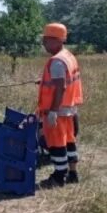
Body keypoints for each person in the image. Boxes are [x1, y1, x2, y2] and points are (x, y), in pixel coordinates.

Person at [36, 23, 83, 189]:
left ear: (56, 40)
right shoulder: (68, 56)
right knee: (69, 141)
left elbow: (60, 86)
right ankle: (73, 173)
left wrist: (53, 112)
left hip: (57, 110)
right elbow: (62, 82)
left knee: (56, 143)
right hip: (69, 108)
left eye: (46, 41)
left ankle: (58, 176)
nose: (44, 44)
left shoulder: (56, 61)